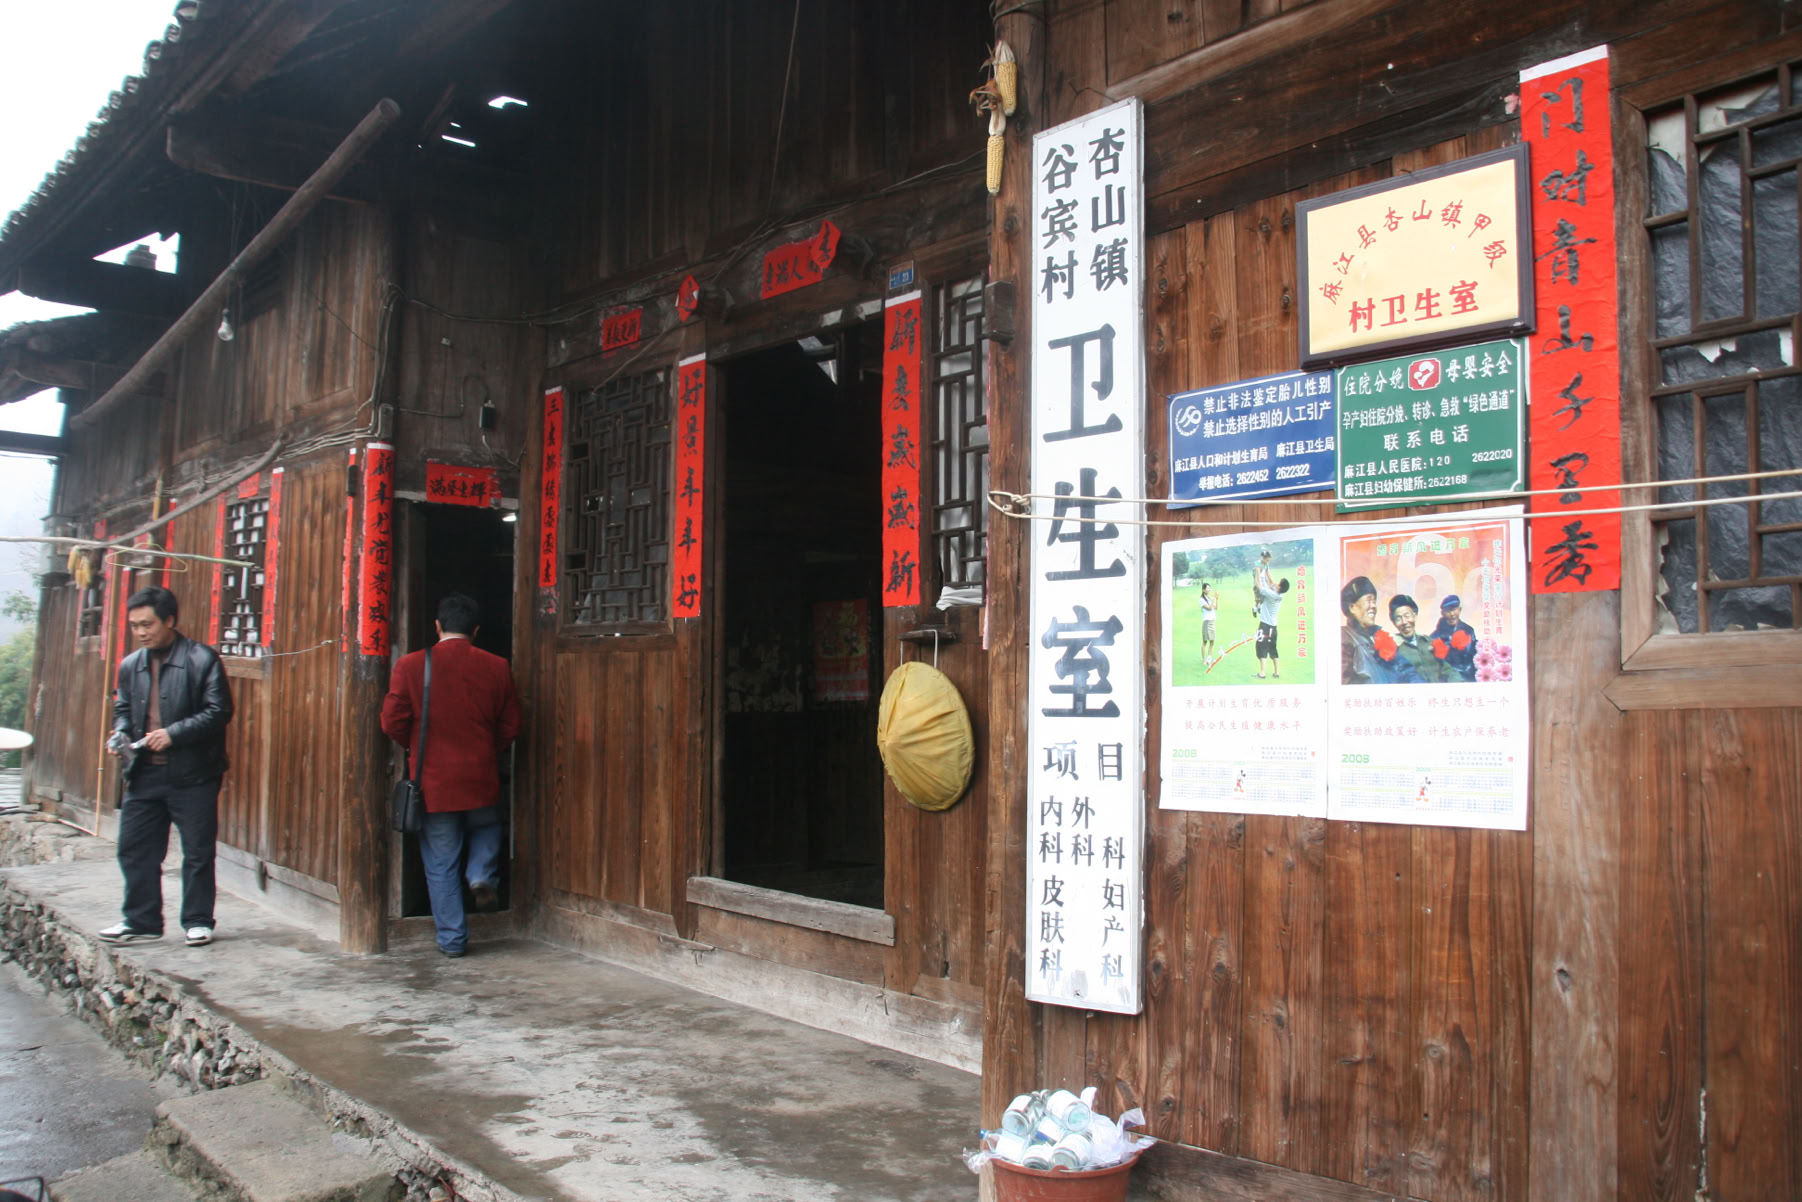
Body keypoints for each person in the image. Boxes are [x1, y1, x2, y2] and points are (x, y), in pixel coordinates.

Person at [381, 593, 521, 958]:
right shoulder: (497, 665)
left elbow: (392, 721)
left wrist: (412, 748)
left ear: (437, 626)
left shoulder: (411, 666)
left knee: (441, 863)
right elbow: (510, 725)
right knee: (488, 827)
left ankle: (453, 940)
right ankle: (480, 873)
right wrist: (489, 751)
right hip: (481, 775)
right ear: (475, 630)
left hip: (433, 782)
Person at [99, 587, 234, 947]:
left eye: (148, 624)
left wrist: (174, 733)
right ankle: (141, 920)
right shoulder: (130, 665)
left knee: (197, 851)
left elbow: (219, 711)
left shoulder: (201, 659)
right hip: (144, 772)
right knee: (134, 847)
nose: (141, 632)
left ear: (170, 621)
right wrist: (121, 735)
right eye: (134, 626)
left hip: (194, 774)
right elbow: (124, 710)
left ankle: (198, 920)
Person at [1340, 576, 1420, 685]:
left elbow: (1408, 670)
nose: (1373, 606)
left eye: (1374, 601)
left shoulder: (1382, 638)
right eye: (1369, 600)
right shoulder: (1344, 636)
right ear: (1352, 607)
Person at [1389, 594, 1458, 683]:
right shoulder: (1393, 650)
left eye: (1407, 616)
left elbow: (1449, 671)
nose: (1404, 622)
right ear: (1394, 622)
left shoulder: (1430, 642)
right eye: (1398, 618)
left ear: (1415, 616)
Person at [1431, 594, 1480, 682]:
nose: (1452, 614)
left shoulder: (1469, 630)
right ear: (1442, 613)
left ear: (1459, 610)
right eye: (1448, 611)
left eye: (1454, 609)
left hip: (1469, 678)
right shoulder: (1435, 636)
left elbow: (1475, 657)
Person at [1253, 574, 1290, 680]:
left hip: (1265, 625)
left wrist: (1257, 573)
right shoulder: (1280, 594)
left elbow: (1258, 587)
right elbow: (1271, 582)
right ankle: (1276, 673)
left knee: (1261, 647)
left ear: (1279, 587)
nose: (1276, 583)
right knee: (1272, 648)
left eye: (1278, 583)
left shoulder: (1271, 594)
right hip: (1273, 627)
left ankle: (1262, 673)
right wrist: (1266, 570)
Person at [1198, 582, 1217, 666]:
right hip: (1206, 622)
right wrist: (1213, 600)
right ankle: (1203, 660)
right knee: (1205, 642)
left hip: (1212, 622)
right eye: (1207, 588)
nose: (1209, 589)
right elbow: (1209, 608)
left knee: (1212, 642)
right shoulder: (1201, 600)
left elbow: (1216, 608)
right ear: (1203, 590)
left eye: (1210, 588)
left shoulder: (1209, 598)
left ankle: (1209, 658)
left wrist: (1217, 599)